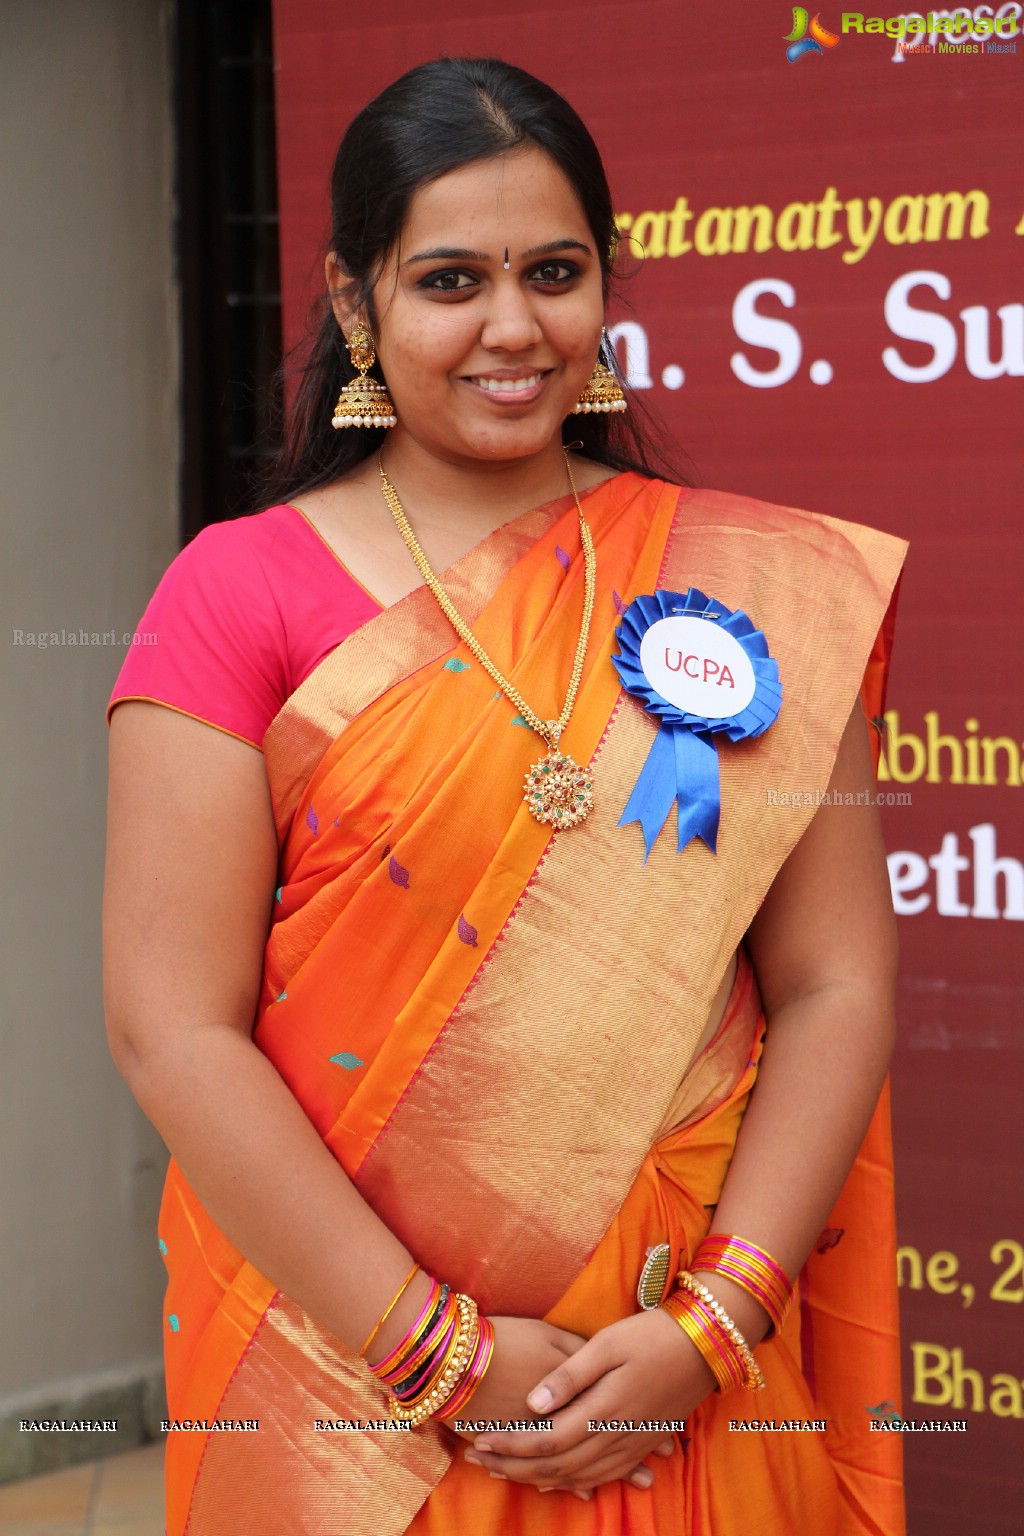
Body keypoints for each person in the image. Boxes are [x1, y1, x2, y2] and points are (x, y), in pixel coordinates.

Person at [103, 56, 907, 1536]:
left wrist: (717, 1324)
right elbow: (173, 1027)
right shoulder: (237, 592)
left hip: (678, 1358)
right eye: (450, 281)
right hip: (353, 1379)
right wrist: (431, 1350)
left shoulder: (751, 592)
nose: (514, 328)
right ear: (357, 307)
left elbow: (839, 981)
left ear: (610, 281)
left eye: (555, 271)